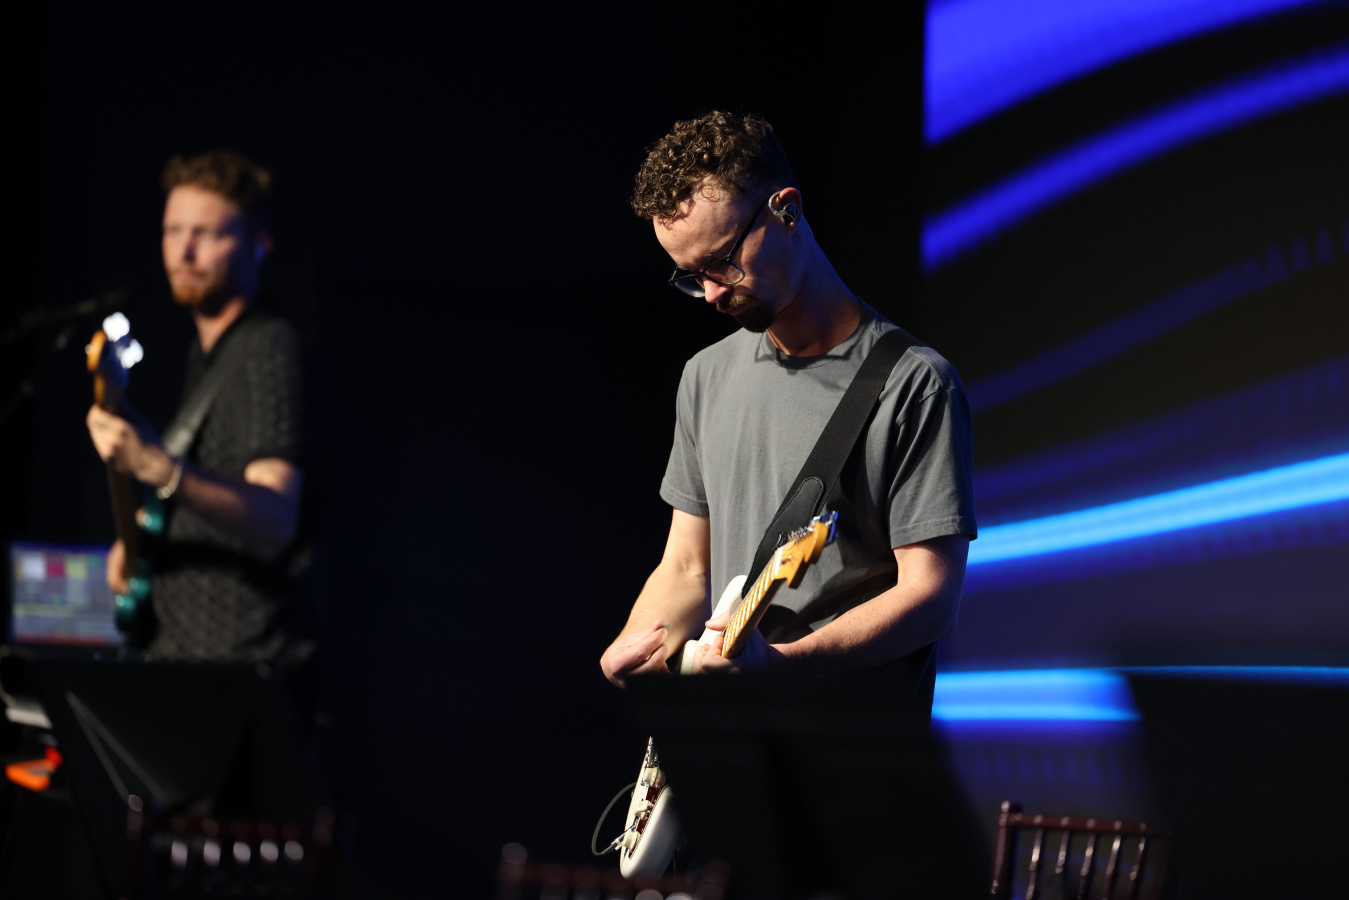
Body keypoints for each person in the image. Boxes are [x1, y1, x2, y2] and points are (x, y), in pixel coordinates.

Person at [599, 111, 977, 714]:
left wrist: (782, 665)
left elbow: (932, 598)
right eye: (692, 277)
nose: (712, 293)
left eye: (722, 262)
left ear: (787, 211)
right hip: (738, 742)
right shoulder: (705, 375)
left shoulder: (915, 384)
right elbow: (688, 567)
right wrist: (636, 641)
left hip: (854, 750)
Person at [85, 150, 316, 672]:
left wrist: (159, 468)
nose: (184, 251)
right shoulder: (210, 355)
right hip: (192, 662)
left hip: (239, 667)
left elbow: (276, 515)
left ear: (259, 245)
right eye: (173, 231)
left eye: (207, 234)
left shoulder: (267, 347)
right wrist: (143, 537)